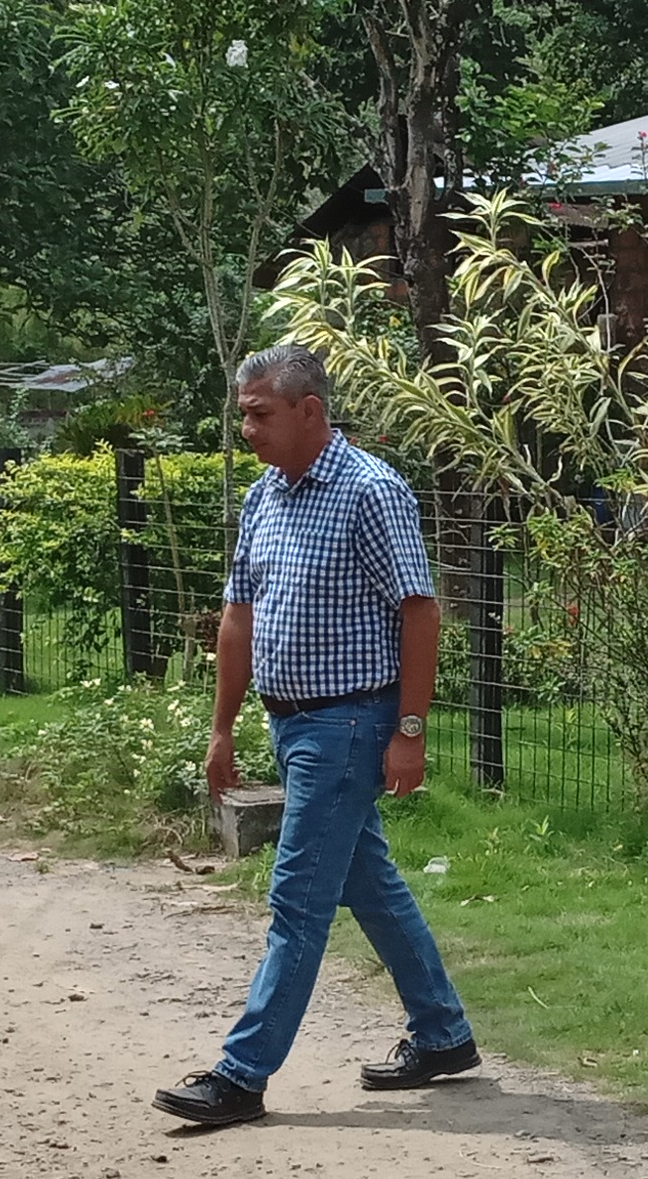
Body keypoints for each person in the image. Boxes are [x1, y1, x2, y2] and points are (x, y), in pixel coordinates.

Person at [154, 343, 478, 1131]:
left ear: (309, 411)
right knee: (367, 883)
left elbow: (419, 611)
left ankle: (241, 1075)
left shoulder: (371, 491)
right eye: (243, 415)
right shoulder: (265, 495)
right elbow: (238, 615)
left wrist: (409, 730)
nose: (248, 430)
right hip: (289, 721)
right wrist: (222, 729)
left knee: (298, 900)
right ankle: (443, 1034)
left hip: (350, 722)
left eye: (260, 414)